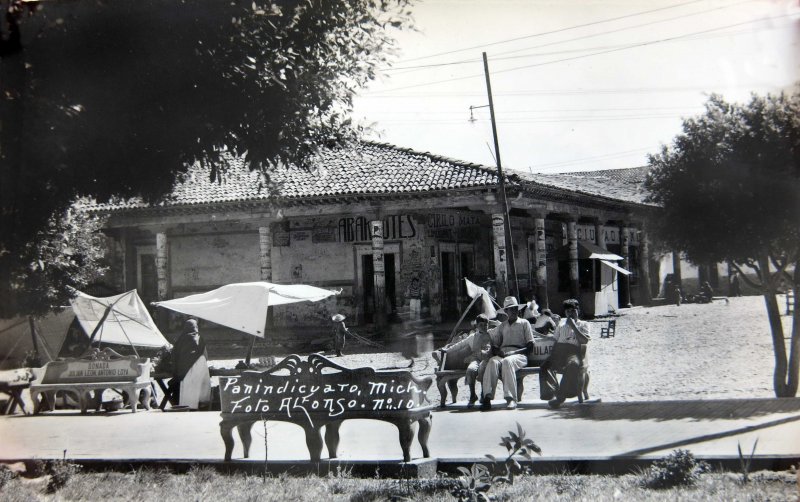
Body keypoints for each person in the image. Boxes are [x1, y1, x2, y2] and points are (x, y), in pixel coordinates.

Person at [479, 296, 534, 410]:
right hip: (504, 354)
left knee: (507, 362)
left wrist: (514, 352)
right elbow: (495, 345)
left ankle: (510, 399)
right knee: (492, 362)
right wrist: (498, 351)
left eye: (515, 308)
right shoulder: (502, 326)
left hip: (520, 355)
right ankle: (487, 397)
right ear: (506, 311)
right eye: (510, 309)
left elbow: (530, 346)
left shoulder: (524, 323)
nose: (513, 311)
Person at [539, 299, 590, 409]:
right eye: (568, 312)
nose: (570, 314)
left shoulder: (583, 324)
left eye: (573, 311)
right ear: (565, 313)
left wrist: (573, 326)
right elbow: (554, 339)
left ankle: (561, 397)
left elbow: (584, 341)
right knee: (544, 366)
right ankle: (552, 392)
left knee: (573, 365)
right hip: (559, 351)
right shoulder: (561, 326)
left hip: (573, 351)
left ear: (578, 311)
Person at [170, 318, 211, 410]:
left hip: (184, 371)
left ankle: (187, 405)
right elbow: (206, 357)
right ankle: (202, 404)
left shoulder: (181, 339)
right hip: (200, 369)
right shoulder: (199, 338)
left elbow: (174, 356)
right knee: (200, 385)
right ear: (196, 327)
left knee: (187, 386)